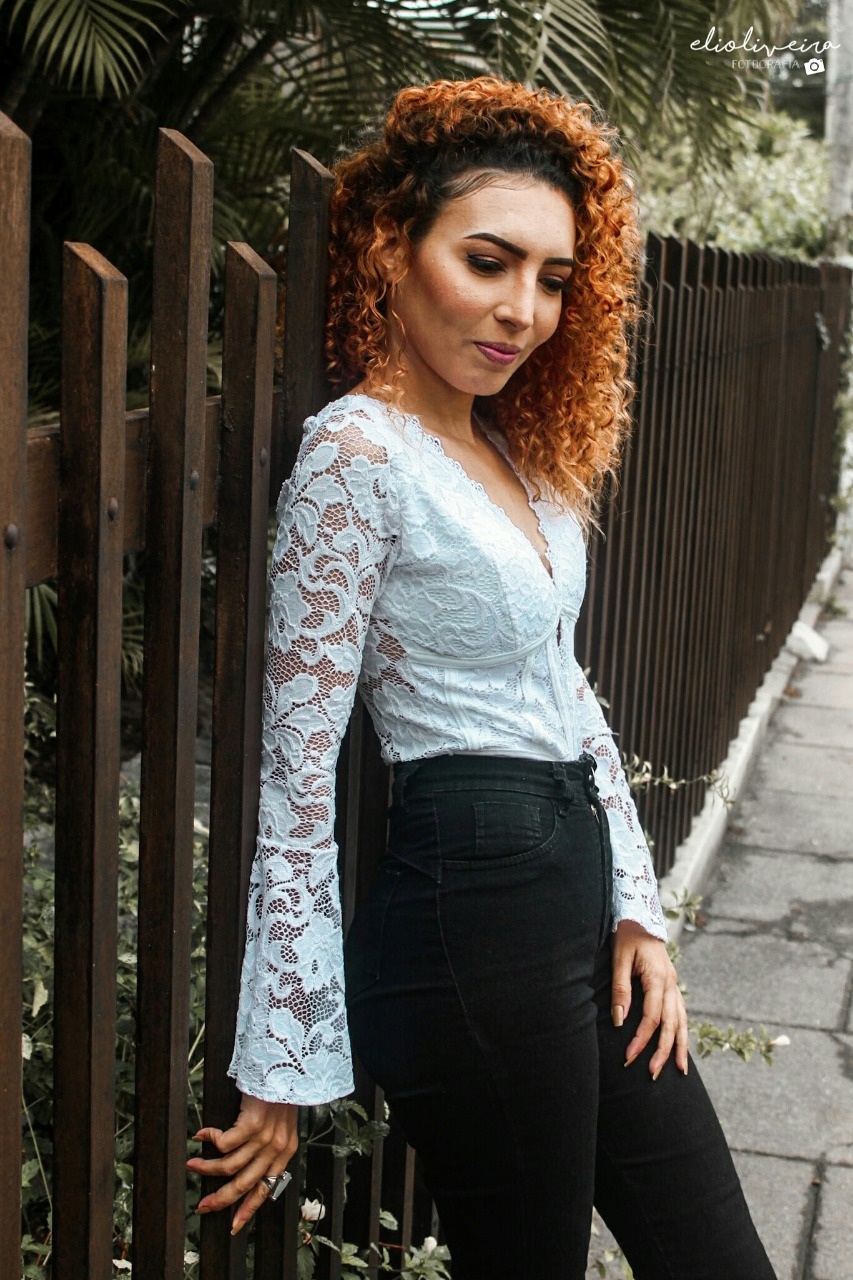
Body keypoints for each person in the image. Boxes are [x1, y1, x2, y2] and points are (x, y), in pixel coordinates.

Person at [187, 76, 777, 1279]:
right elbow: (298, 774)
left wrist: (636, 908)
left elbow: (565, 688)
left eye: (554, 279)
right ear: (390, 251)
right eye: (488, 261)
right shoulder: (357, 454)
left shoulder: (513, 448)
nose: (524, 310)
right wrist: (282, 1063)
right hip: (471, 917)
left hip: (573, 895)